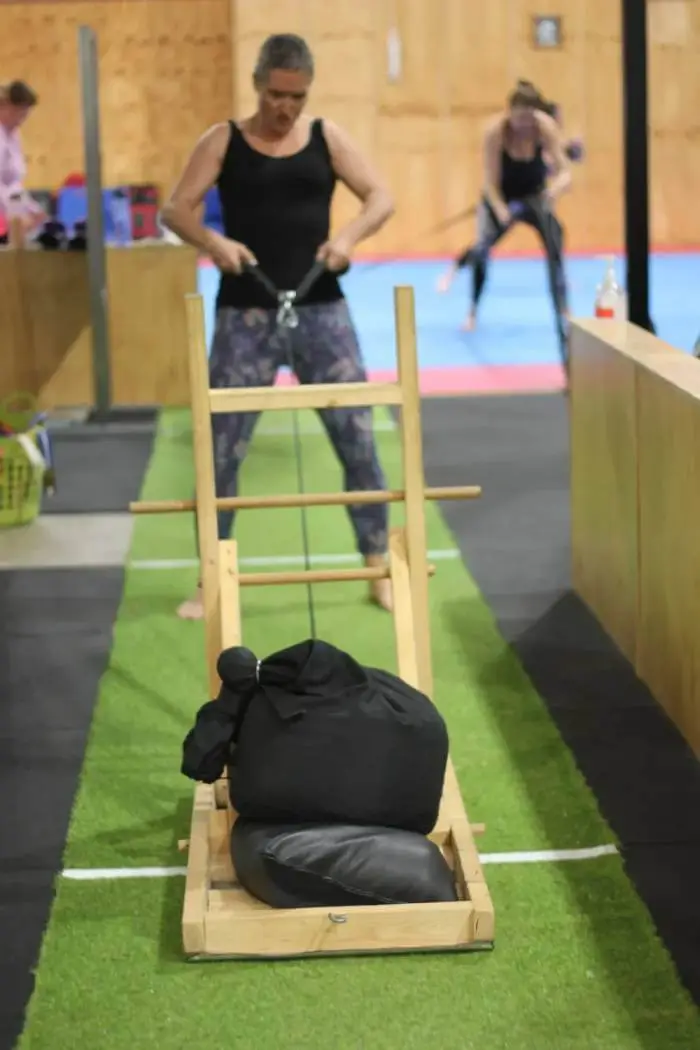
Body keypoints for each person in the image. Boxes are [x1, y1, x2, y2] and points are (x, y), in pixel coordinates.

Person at [161, 33, 396, 620]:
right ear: (257, 84)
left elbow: (380, 197)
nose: (284, 107)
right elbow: (175, 209)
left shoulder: (326, 138)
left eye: (295, 96)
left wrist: (346, 239)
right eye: (274, 94)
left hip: (322, 308)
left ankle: (377, 566)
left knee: (358, 436)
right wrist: (214, 242)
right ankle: (210, 578)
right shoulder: (223, 141)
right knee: (220, 448)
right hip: (245, 313)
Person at [435, 81, 572, 342]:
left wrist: (553, 192)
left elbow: (566, 173)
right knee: (482, 249)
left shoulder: (544, 127)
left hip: (534, 195)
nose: (525, 125)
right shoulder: (495, 132)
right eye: (520, 118)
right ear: (510, 113)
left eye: (530, 118)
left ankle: (563, 309)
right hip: (502, 196)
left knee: (556, 240)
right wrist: (500, 210)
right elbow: (489, 182)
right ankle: (472, 311)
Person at [0, 80, 46, 244]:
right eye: (20, 113)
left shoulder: (14, 135)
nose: (22, 120)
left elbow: (13, 184)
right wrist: (16, 213)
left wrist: (32, 208)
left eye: (25, 115)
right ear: (7, 106)